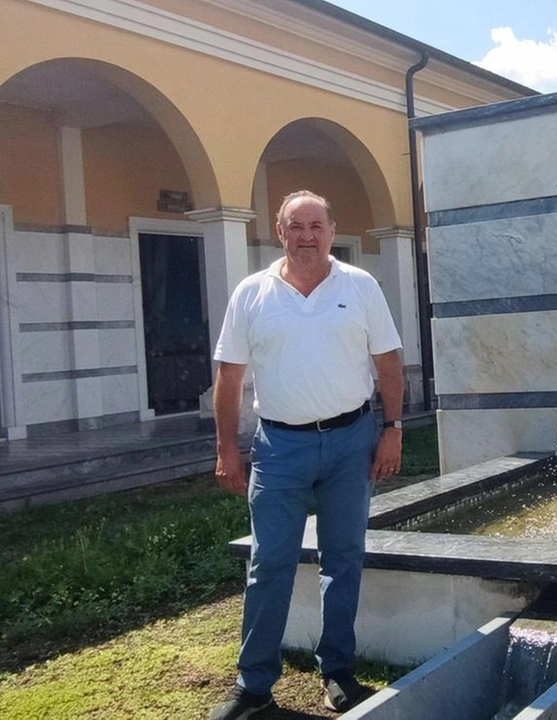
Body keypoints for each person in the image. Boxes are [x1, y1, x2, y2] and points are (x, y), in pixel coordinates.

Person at [208, 190, 404, 719]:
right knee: (269, 563)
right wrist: (227, 446)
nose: (307, 236)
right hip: (280, 447)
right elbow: (229, 376)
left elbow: (388, 363)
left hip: (351, 442)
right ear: (280, 231)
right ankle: (254, 686)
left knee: (343, 559)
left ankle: (337, 670)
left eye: (316, 225)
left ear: (331, 230)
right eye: (296, 226)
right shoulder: (252, 293)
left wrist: (394, 428)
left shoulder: (359, 286)